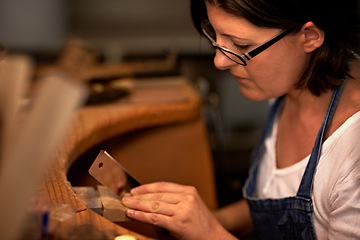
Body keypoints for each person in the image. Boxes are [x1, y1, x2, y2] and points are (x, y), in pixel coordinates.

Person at [121, 0, 360, 239]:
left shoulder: (354, 153)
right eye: (214, 34)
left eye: (240, 44)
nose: (220, 61)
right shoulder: (288, 83)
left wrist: (211, 234)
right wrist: (205, 220)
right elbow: (279, 203)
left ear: (309, 36)